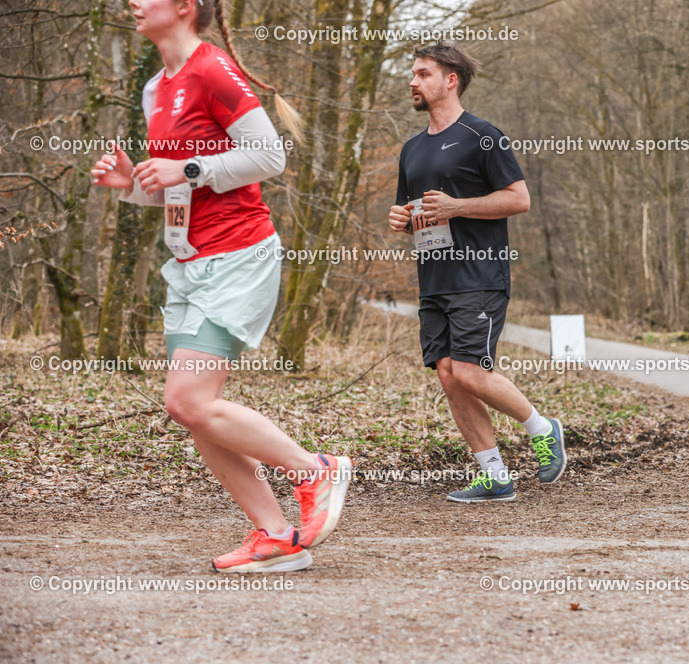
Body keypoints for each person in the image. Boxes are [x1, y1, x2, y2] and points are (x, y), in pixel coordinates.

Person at [91, 0, 350, 571]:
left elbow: (269, 155)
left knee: (187, 400)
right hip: (186, 261)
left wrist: (186, 169)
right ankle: (277, 535)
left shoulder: (213, 69)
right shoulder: (157, 87)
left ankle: (315, 470)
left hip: (237, 254)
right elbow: (178, 184)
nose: (132, 3)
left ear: (185, 6)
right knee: (193, 409)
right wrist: (133, 186)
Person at [387, 44, 567, 502]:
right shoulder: (411, 149)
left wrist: (458, 206)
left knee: (469, 371)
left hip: (479, 276)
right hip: (435, 280)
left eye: (423, 74)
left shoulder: (483, 135)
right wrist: (402, 220)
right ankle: (494, 474)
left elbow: (518, 199)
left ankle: (543, 428)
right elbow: (416, 212)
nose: (413, 81)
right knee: (448, 373)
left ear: (451, 81)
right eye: (412, 74)